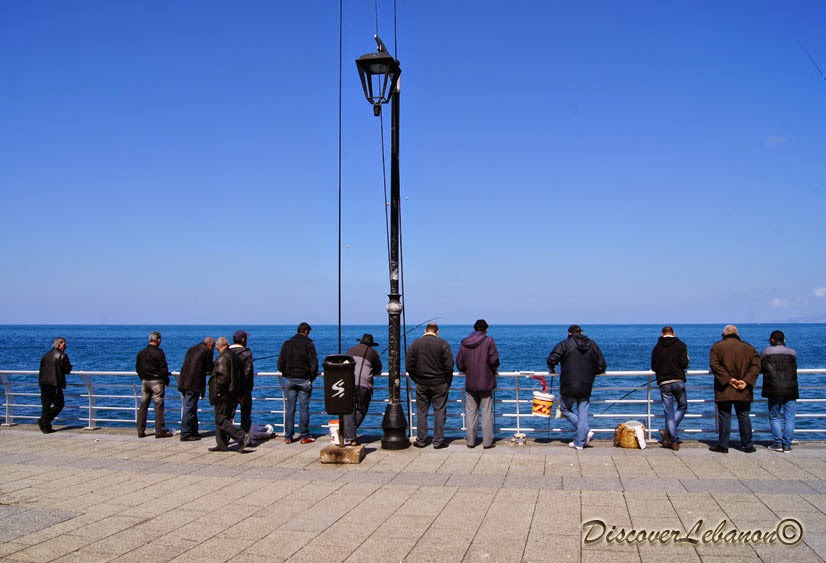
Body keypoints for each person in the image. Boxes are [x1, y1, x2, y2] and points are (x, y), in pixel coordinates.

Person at [547, 325, 606, 451]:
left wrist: (552, 368)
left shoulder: (565, 344)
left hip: (569, 383)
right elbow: (602, 366)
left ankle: (585, 432)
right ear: (581, 332)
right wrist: (590, 373)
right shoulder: (592, 345)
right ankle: (579, 442)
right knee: (583, 413)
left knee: (564, 409)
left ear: (569, 333)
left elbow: (552, 358)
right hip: (586, 384)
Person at [708, 325, 761, 454]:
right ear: (737, 334)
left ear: (724, 334)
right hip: (743, 389)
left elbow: (714, 365)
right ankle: (748, 445)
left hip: (724, 388)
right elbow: (756, 366)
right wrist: (746, 381)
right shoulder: (749, 348)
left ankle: (723, 444)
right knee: (744, 416)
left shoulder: (717, 347)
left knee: (724, 416)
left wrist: (729, 379)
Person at [406, 322, 454, 449]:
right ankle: (438, 441)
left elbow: (409, 364)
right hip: (439, 383)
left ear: (425, 331)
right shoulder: (443, 344)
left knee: (422, 412)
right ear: (437, 332)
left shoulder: (415, 344)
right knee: (439, 411)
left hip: (422, 383)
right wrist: (447, 381)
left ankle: (421, 440)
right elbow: (449, 366)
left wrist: (416, 379)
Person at [456, 319, 500, 449]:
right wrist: (492, 370)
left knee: (471, 413)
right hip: (486, 381)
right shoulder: (489, 341)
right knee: (486, 413)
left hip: (470, 382)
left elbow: (459, 364)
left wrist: (467, 370)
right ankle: (487, 442)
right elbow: (494, 360)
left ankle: (470, 441)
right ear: (485, 329)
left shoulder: (464, 343)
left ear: (474, 329)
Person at [277, 322, 319, 444]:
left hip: (290, 379)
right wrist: (311, 378)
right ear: (305, 331)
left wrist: (287, 374)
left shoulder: (287, 344)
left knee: (290, 409)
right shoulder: (309, 344)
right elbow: (314, 364)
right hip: (304, 379)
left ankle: (288, 436)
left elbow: (280, 364)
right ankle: (304, 435)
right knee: (304, 408)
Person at [208, 337, 251, 452]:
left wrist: (217, 392)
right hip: (233, 392)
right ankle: (221, 444)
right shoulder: (234, 356)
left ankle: (241, 436)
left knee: (220, 419)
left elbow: (222, 377)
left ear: (219, 346)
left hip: (223, 394)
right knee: (225, 418)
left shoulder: (223, 357)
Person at [650, 326, 689, 451]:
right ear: (673, 333)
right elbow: (684, 363)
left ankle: (670, 433)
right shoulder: (681, 345)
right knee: (682, 406)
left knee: (669, 412)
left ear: (662, 334)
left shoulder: (657, 348)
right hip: (678, 380)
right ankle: (673, 437)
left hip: (664, 382)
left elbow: (654, 366)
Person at [341, 334, 383, 446]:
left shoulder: (350, 350)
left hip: (348, 382)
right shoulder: (373, 353)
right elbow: (378, 369)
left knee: (348, 409)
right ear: (371, 344)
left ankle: (349, 433)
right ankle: (350, 434)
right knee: (362, 409)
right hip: (364, 385)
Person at [761, 330, 798, 452]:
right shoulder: (792, 353)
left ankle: (777, 443)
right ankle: (787, 444)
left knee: (774, 416)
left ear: (772, 340)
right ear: (783, 340)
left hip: (774, 388)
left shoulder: (766, 352)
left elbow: (762, 368)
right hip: (790, 388)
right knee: (789, 417)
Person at [135, 331, 174, 438]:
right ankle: (160, 430)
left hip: (145, 381)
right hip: (157, 382)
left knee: (143, 406)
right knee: (159, 406)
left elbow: (138, 368)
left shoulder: (141, 353)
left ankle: (140, 430)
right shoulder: (159, 353)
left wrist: (143, 377)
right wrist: (166, 380)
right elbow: (163, 369)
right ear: (159, 340)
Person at [177, 336, 215, 442]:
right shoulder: (207, 351)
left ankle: (193, 431)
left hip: (183, 381)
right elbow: (209, 367)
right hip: (193, 383)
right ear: (211, 345)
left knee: (191, 408)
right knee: (189, 408)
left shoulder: (192, 348)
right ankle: (185, 433)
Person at [37, 336, 72, 434]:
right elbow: (67, 370)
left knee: (46, 406)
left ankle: (45, 426)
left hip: (44, 383)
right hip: (55, 384)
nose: (65, 346)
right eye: (64, 344)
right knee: (59, 404)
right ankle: (44, 421)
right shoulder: (62, 356)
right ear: (59, 344)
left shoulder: (45, 355)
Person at [229, 330, 254, 433]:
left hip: (229, 389)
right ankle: (244, 437)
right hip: (243, 390)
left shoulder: (227, 352)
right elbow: (247, 373)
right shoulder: (246, 353)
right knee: (245, 415)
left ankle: (225, 437)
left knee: (229, 415)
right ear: (243, 340)